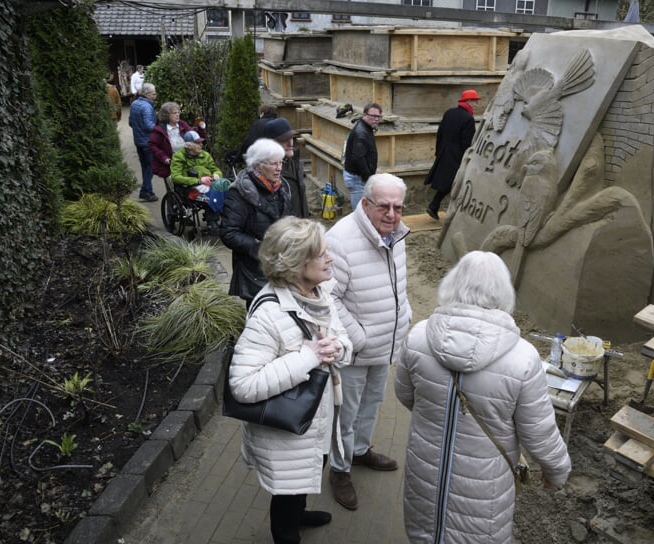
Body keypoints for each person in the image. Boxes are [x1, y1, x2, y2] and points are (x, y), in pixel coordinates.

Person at [394, 251, 571, 543]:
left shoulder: (418, 336)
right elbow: (538, 433)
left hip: (425, 475)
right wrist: (556, 471)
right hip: (483, 490)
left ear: (453, 283)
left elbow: (404, 394)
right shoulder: (523, 358)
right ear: (503, 291)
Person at [228, 216, 352, 544]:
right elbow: (242, 385)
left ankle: (299, 515)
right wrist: (308, 358)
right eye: (322, 254)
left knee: (306, 476)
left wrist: (337, 347)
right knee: (286, 492)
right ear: (295, 263)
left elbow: (341, 338)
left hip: (317, 418)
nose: (331, 259)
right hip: (286, 433)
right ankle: (286, 532)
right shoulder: (268, 314)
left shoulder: (320, 291)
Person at [325, 173, 411, 511]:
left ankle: (360, 450)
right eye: (384, 206)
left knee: (372, 403)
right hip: (355, 350)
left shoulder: (397, 234)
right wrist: (357, 337)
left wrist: (404, 316)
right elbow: (328, 299)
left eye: (398, 207)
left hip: (385, 344)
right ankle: (339, 469)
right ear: (365, 204)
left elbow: (396, 284)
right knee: (345, 412)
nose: (391, 214)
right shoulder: (340, 240)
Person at [220, 138, 292, 309]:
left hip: (281, 264)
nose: (279, 168)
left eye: (281, 162)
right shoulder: (240, 193)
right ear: (257, 165)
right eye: (273, 164)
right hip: (254, 270)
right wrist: (260, 248)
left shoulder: (281, 187)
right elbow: (228, 233)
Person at [424, 89, 481, 220]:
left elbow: (440, 133)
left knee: (448, 183)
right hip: (458, 156)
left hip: (444, 152)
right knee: (455, 183)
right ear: (469, 102)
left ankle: (434, 206)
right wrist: (467, 160)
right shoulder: (468, 119)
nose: (477, 105)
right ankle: (444, 209)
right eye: (476, 102)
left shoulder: (449, 113)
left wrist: (438, 152)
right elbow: (468, 142)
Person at [170, 130, 224, 232]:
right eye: (197, 143)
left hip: (209, 183)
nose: (201, 145)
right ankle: (212, 221)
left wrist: (217, 174)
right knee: (214, 192)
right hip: (190, 187)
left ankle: (225, 219)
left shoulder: (205, 155)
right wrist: (198, 180)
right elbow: (176, 177)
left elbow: (215, 169)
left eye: (201, 142)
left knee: (226, 189)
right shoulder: (178, 157)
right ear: (189, 146)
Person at [262, 117, 310, 218]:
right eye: (284, 140)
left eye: (291, 138)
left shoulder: (293, 162)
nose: (290, 143)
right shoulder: (266, 173)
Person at [342, 102, 381, 210]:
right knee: (360, 213)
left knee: (363, 211)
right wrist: (368, 178)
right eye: (373, 116)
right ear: (364, 115)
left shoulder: (365, 128)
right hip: (357, 178)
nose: (376, 119)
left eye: (378, 116)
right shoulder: (361, 133)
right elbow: (359, 158)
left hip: (358, 177)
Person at [128, 82, 158, 202]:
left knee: (145, 167)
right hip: (148, 142)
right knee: (151, 167)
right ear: (147, 94)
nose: (155, 96)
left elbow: (130, 122)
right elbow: (148, 126)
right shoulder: (146, 106)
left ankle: (149, 191)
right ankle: (145, 191)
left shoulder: (134, 104)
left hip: (138, 141)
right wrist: (159, 128)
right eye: (153, 93)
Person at [149, 102, 192, 179]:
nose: (178, 115)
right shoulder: (160, 129)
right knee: (174, 188)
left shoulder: (182, 124)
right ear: (167, 115)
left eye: (178, 112)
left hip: (187, 162)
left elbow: (193, 136)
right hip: (170, 166)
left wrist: (201, 128)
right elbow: (152, 145)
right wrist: (164, 158)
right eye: (174, 113)